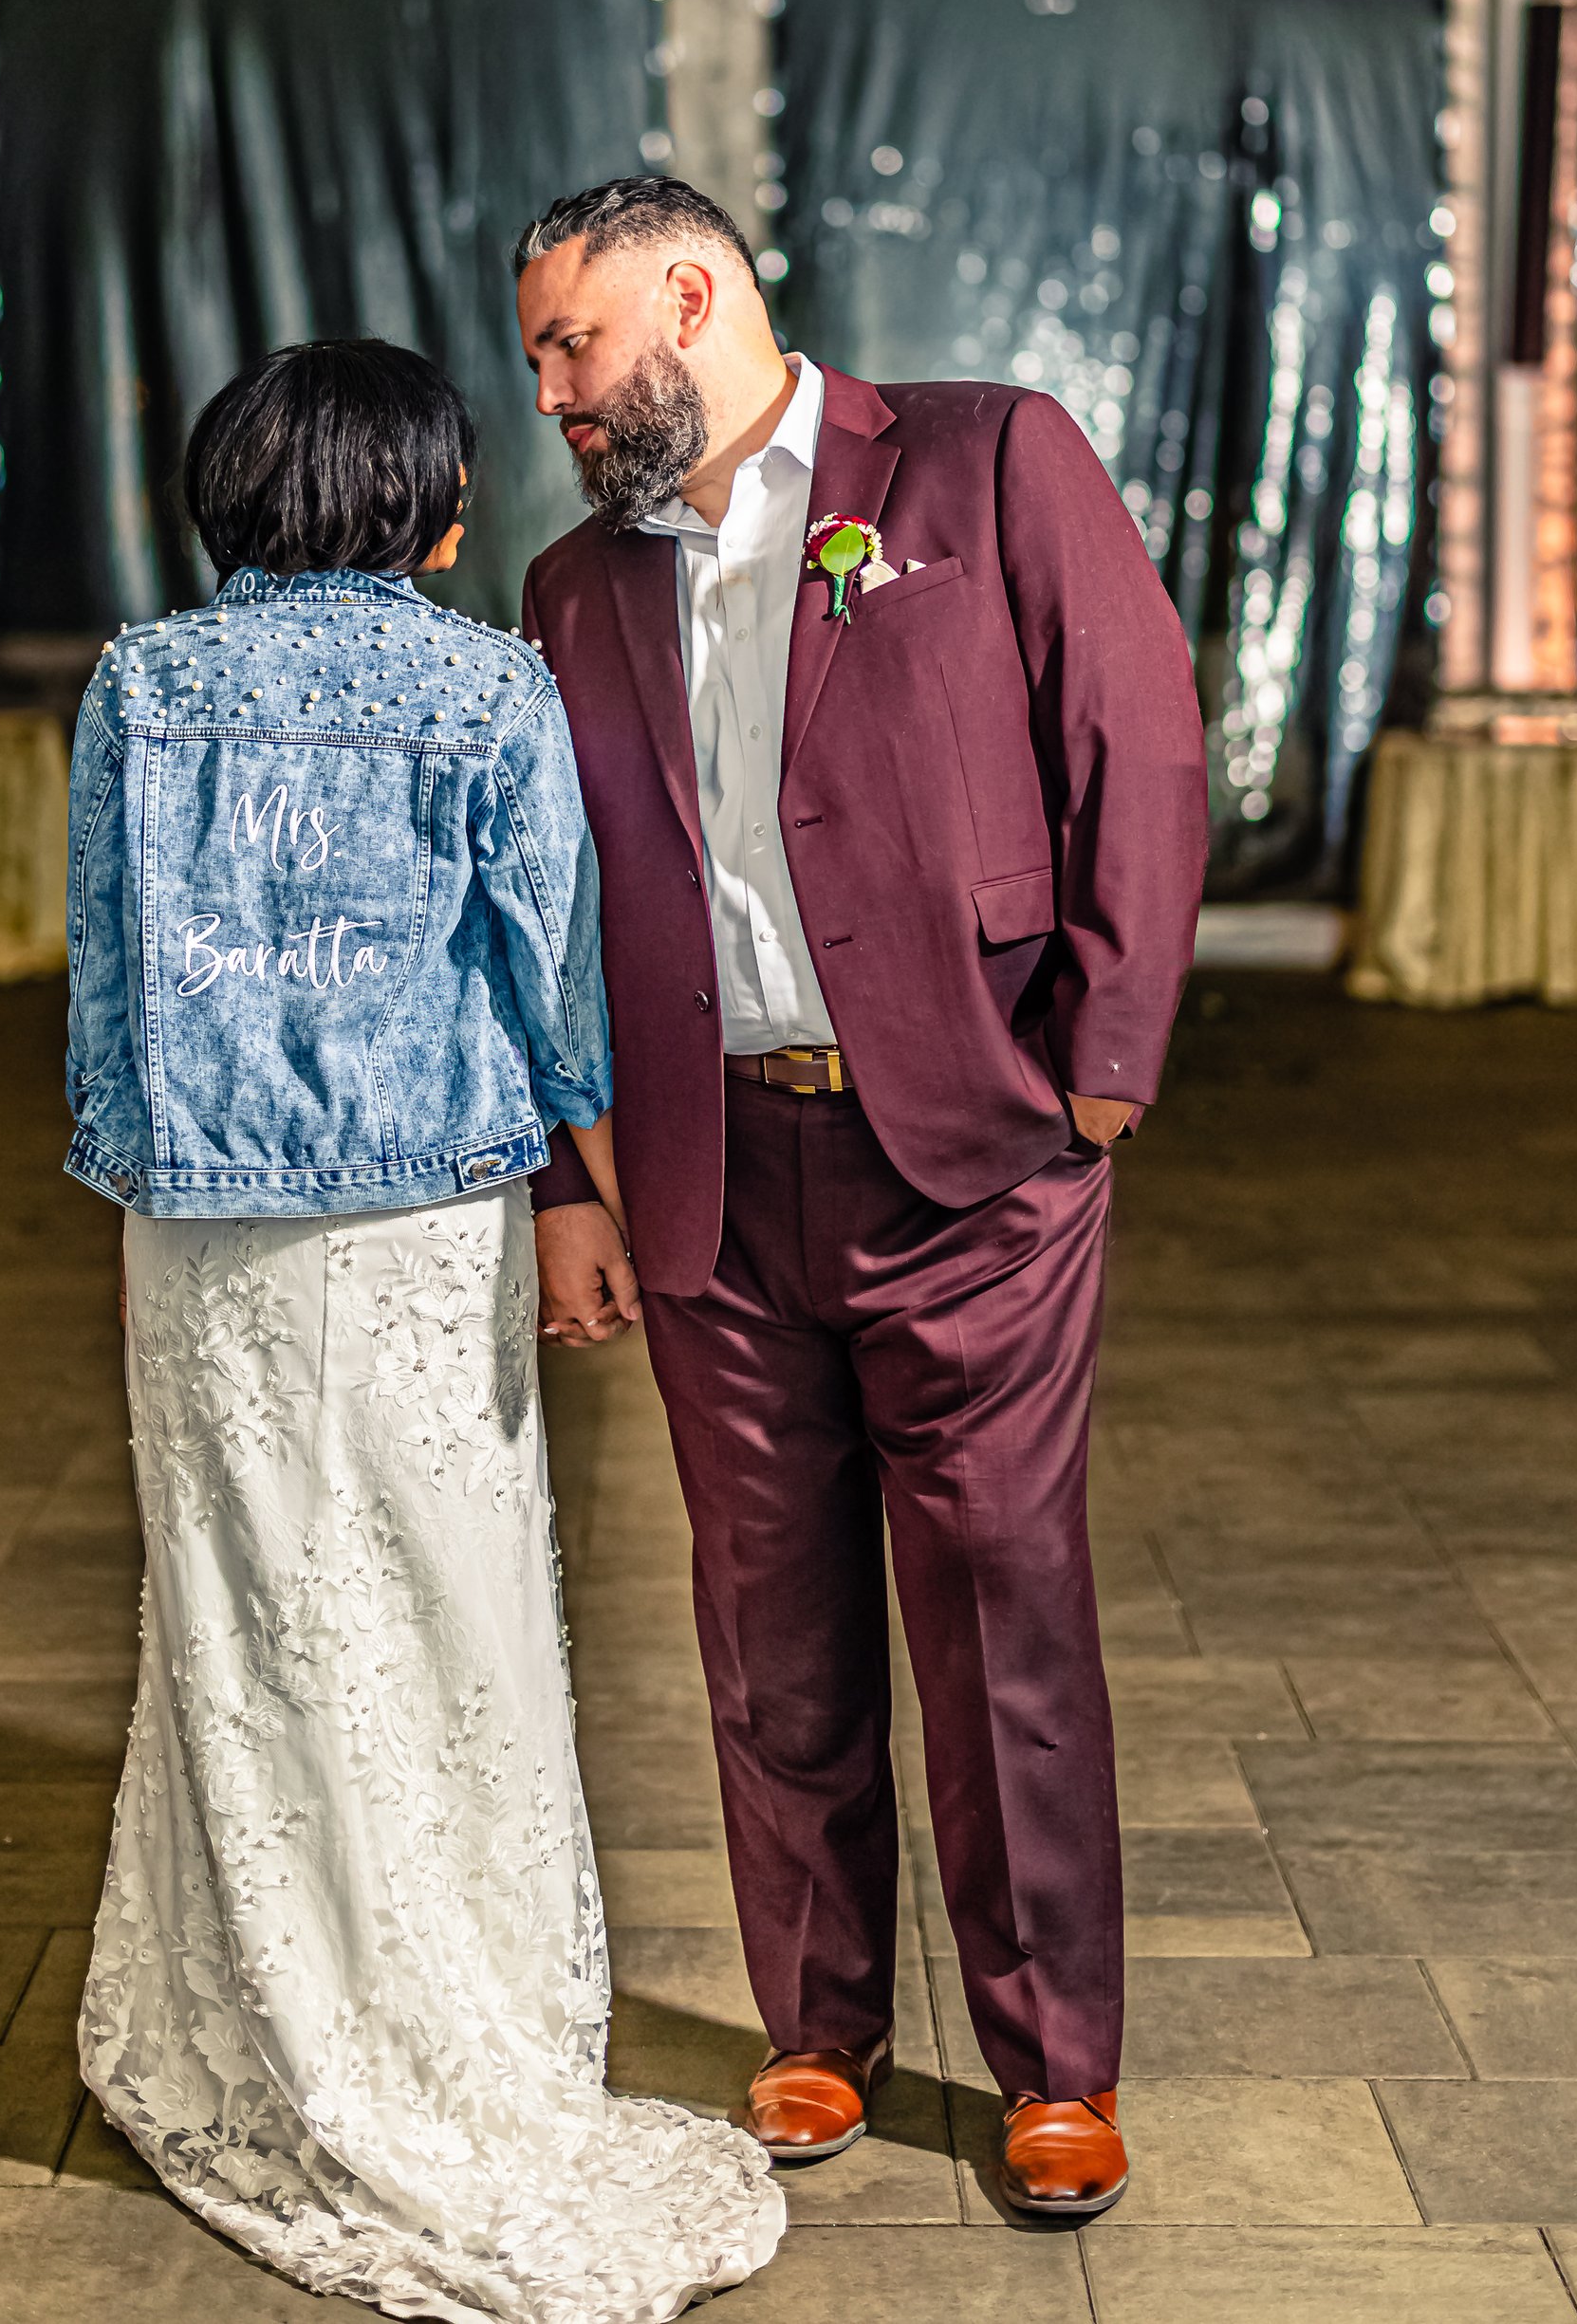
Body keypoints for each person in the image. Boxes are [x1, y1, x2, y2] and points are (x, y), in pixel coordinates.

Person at [61, 335, 785, 2320]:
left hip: (202, 1239)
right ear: (427, 506)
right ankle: (449, 2021)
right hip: (422, 1223)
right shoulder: (484, 686)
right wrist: (592, 1189)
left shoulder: (143, 684)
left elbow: (110, 984)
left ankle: (257, 2011)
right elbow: (548, 978)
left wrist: (152, 1169)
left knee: (240, 1608)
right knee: (445, 1611)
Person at [511, 181, 1208, 2224]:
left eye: (568, 346)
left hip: (973, 1156)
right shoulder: (573, 587)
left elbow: (1138, 751)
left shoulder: (985, 461)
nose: (545, 390)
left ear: (690, 293)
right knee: (767, 1633)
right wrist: (576, 1174)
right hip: (709, 1177)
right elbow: (550, 909)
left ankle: (1050, 2064)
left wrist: (1099, 1068)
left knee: (1001, 1609)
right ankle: (814, 2025)